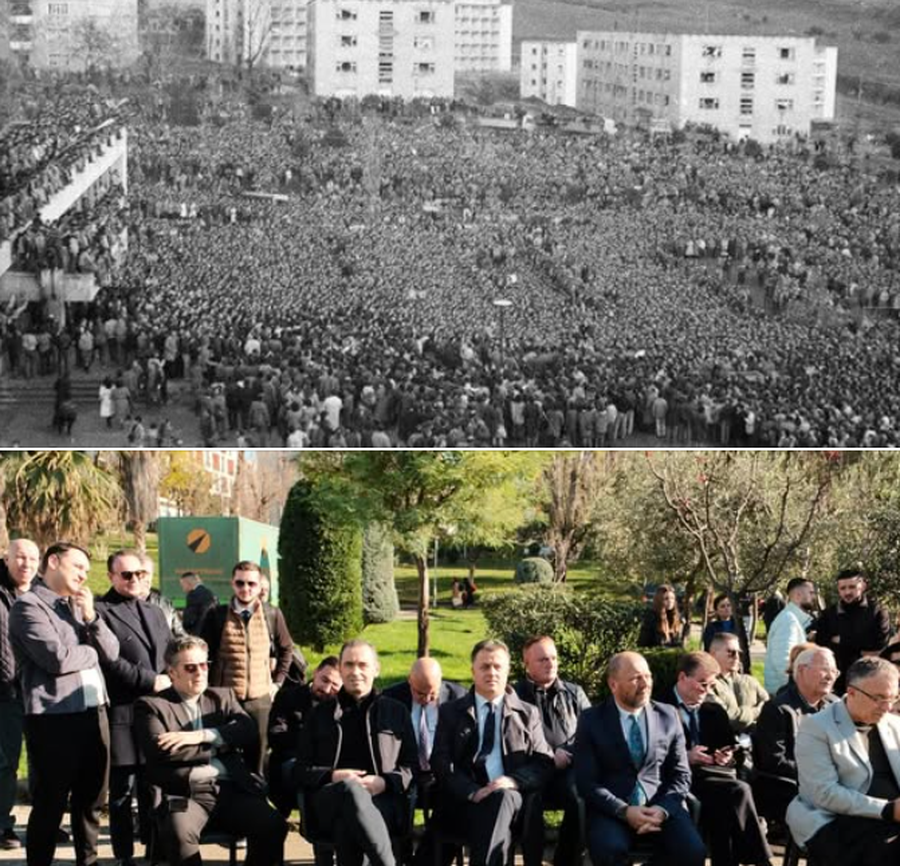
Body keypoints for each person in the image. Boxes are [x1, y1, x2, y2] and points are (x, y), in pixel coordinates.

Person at [9, 542, 120, 866]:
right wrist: (92, 651)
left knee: (92, 800)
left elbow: (112, 652)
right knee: (50, 802)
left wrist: (91, 618)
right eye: (78, 567)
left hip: (94, 710)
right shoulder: (28, 606)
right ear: (54, 562)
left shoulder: (79, 605)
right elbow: (57, 659)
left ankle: (88, 861)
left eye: (87, 570)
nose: (84, 575)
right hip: (53, 718)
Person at [134, 635, 287, 866]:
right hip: (186, 793)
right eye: (190, 667)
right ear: (172, 673)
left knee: (273, 824)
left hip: (230, 789)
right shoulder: (151, 706)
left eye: (204, 665)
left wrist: (202, 735)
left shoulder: (222, 697)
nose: (200, 672)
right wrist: (222, 742)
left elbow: (247, 730)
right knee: (179, 833)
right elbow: (162, 751)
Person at [573, 651, 705, 866]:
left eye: (648, 676)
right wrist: (624, 811)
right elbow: (586, 782)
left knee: (692, 851)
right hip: (612, 810)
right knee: (609, 851)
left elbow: (681, 775)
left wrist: (662, 811)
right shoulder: (591, 720)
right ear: (613, 684)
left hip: (660, 807)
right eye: (636, 678)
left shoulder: (668, 715)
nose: (645, 684)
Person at [431, 639, 554, 866]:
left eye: (498, 667)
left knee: (503, 797)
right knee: (496, 821)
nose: (492, 672)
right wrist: (472, 791)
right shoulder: (451, 713)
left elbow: (544, 762)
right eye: (485, 667)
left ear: (508, 670)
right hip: (466, 802)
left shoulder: (527, 714)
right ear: (473, 671)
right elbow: (440, 761)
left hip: (514, 801)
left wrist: (513, 781)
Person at [296, 639, 417, 866]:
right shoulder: (319, 714)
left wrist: (384, 782)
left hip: (382, 802)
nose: (355, 672)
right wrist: (333, 776)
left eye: (363, 665)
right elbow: (300, 769)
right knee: (350, 790)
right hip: (328, 800)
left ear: (376, 669)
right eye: (349, 665)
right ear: (340, 669)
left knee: (348, 824)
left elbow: (411, 765)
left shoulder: (396, 711)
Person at [95, 549, 174, 866]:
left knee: (153, 789)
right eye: (126, 575)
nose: (134, 580)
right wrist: (150, 680)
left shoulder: (155, 611)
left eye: (139, 574)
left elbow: (169, 653)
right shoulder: (101, 611)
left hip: (157, 712)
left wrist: (170, 678)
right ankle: (124, 855)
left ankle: (154, 851)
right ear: (112, 576)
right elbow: (110, 661)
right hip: (123, 714)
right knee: (122, 794)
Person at [786, 657, 900, 866]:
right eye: (879, 698)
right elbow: (824, 793)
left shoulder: (894, 724)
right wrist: (888, 809)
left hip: (891, 817)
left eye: (893, 698)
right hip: (836, 818)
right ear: (852, 692)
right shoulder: (817, 727)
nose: (888, 706)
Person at [665, 652, 772, 866]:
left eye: (711, 685)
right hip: (676, 779)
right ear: (682, 678)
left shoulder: (713, 710)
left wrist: (726, 756)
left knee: (729, 799)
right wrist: (686, 757)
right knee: (736, 793)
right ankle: (761, 861)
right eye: (702, 684)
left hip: (713, 776)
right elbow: (650, 754)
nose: (707, 690)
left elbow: (731, 749)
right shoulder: (659, 708)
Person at [202, 560, 294, 774]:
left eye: (251, 584)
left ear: (260, 586)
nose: (245, 589)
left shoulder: (272, 614)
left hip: (259, 698)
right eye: (240, 583)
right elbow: (203, 654)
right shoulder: (216, 615)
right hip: (224, 697)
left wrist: (277, 683)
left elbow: (287, 649)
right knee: (222, 748)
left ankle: (258, 794)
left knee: (259, 752)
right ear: (232, 584)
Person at [513, 636, 591, 866]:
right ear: (526, 664)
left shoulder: (574, 693)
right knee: (531, 803)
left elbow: (590, 731)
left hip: (567, 769)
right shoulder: (515, 696)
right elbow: (513, 739)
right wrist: (549, 754)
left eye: (554, 658)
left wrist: (567, 752)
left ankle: (565, 861)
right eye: (543, 659)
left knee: (580, 798)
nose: (551, 663)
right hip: (531, 769)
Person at [384, 657, 466, 866]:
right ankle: (397, 857)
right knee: (394, 803)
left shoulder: (459, 697)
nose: (427, 698)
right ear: (409, 681)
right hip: (405, 771)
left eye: (433, 692)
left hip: (442, 774)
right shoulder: (391, 698)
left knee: (454, 804)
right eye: (420, 692)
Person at [753, 647, 838, 820]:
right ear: (801, 670)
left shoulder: (836, 706)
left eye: (834, 671)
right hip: (793, 786)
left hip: (833, 782)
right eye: (824, 669)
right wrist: (817, 773)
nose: (830, 677)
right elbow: (774, 761)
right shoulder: (778, 709)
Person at [0, 538, 39, 850]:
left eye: (32, 558)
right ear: (7, 558)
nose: (26, 564)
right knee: (6, 763)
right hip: (5, 693)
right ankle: (3, 825)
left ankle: (45, 822)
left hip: (42, 692)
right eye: (20, 557)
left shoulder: (45, 593)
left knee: (45, 761)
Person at [267, 656, 342, 817]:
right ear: (315, 673)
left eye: (335, 685)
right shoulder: (288, 697)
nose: (327, 689)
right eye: (324, 680)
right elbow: (276, 734)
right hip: (290, 760)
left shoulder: (341, 708)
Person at [814, 568, 891, 695]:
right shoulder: (829, 614)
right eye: (842, 588)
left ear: (863, 586)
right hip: (837, 681)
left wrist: (841, 640)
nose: (847, 592)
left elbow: (879, 644)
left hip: (869, 678)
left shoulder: (877, 611)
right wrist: (861, 646)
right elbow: (822, 643)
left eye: (852, 587)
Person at [707, 633, 768, 734]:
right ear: (713, 654)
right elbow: (730, 718)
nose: (736, 657)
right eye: (731, 652)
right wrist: (757, 711)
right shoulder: (708, 684)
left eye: (739, 653)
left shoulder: (750, 680)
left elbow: (769, 707)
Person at [763, 578, 816, 695]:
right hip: (784, 695)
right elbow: (783, 663)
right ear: (797, 595)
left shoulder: (792, 619)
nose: (814, 597)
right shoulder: (788, 621)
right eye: (811, 593)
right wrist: (797, 692)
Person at [138, 553, 186, 639]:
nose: (142, 578)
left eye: (146, 574)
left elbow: (179, 634)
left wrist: (190, 647)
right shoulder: (112, 606)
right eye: (137, 574)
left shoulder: (163, 602)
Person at [638, 585, 684, 649]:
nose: (670, 601)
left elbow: (676, 642)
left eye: (672, 598)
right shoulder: (651, 617)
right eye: (666, 598)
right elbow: (644, 643)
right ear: (659, 599)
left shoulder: (674, 617)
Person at [179, 572, 218, 636]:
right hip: (212, 634)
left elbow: (189, 620)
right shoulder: (211, 594)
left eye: (183, 585)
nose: (183, 589)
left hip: (198, 635)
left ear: (188, 583)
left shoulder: (193, 595)